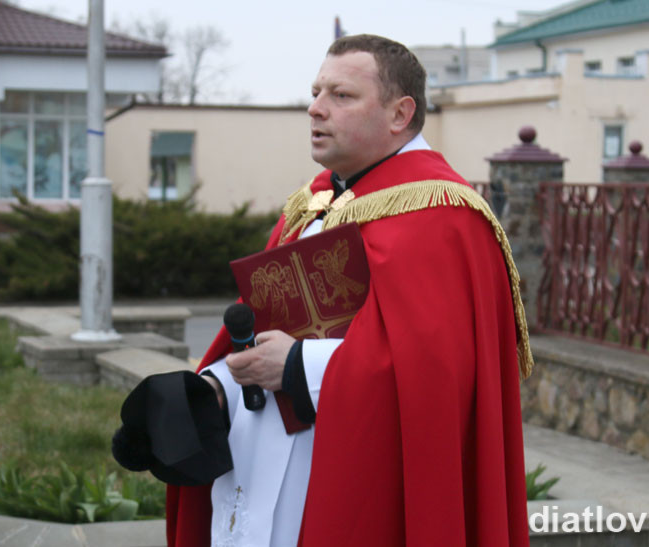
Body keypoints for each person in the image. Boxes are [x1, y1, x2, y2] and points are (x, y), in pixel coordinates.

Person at [166, 34, 532, 547]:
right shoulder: (315, 204)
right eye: (316, 93)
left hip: (366, 490)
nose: (316, 109)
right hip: (267, 475)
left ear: (400, 114)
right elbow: (261, 334)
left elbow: (436, 376)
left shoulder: (445, 217)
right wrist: (215, 388)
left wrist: (299, 366)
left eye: (341, 96)